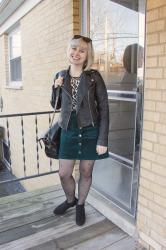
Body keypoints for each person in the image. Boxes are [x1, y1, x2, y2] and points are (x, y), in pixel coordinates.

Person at [51, 35, 109, 226]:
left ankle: (81, 204)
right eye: (74, 48)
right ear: (68, 50)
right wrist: (55, 88)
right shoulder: (60, 74)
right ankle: (70, 200)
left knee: (85, 172)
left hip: (91, 130)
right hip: (68, 128)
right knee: (64, 173)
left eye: (82, 50)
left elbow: (104, 108)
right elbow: (55, 104)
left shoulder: (94, 76)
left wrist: (102, 140)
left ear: (87, 55)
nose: (76, 53)